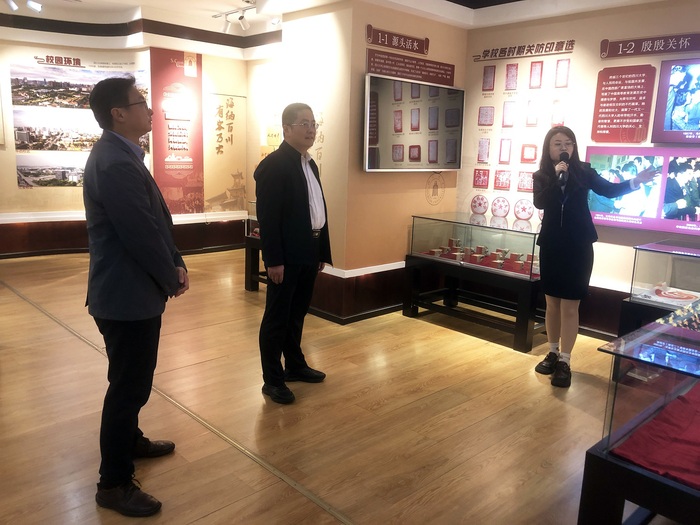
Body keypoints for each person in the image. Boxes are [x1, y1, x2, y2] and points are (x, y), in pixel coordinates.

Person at [83, 76, 189, 516]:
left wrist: (175, 261)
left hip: (127, 292)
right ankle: (113, 483)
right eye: (141, 102)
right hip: (125, 297)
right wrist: (170, 276)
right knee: (128, 389)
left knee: (130, 383)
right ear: (118, 114)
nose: (150, 110)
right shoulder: (115, 162)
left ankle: (130, 441)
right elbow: (140, 232)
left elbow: (154, 221)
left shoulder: (122, 154)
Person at [532, 126, 657, 387]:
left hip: (578, 246)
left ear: (574, 147)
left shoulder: (585, 172)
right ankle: (552, 352)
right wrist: (556, 178)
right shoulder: (542, 175)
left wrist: (636, 181)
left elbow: (609, 191)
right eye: (557, 143)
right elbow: (540, 203)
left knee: (570, 306)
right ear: (548, 148)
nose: (563, 148)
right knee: (552, 303)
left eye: (568, 143)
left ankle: (565, 360)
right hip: (552, 245)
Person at [254, 103, 332, 404]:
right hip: (286, 255)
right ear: (286, 129)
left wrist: (322, 250)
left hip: (309, 250)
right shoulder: (274, 165)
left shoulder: (309, 164)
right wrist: (273, 260)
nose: (311, 129)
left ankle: (295, 366)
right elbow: (268, 218)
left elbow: (318, 210)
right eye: (304, 124)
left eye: (313, 124)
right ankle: (272, 379)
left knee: (297, 313)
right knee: (277, 318)